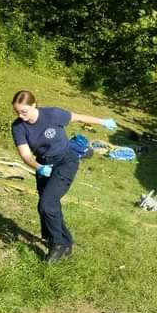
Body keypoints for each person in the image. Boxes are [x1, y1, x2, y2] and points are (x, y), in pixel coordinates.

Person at [11, 90, 118, 264]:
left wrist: (103, 121)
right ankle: (66, 242)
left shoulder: (53, 114)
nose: (21, 116)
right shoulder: (18, 127)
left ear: (34, 105)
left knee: (47, 204)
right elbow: (25, 155)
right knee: (47, 204)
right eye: (17, 112)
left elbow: (78, 117)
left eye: (24, 111)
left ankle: (57, 245)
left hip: (65, 161)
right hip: (44, 164)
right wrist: (39, 167)